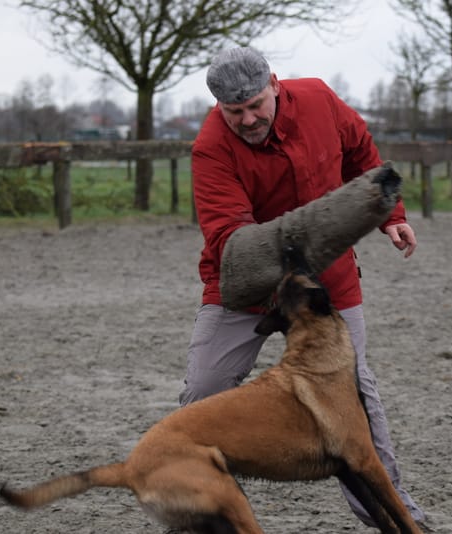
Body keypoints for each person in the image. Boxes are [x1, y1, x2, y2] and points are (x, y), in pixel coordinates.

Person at [180, 46, 428, 529]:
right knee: (204, 392)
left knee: (354, 396)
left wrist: (390, 216)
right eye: (235, 112)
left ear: (274, 84)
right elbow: (233, 238)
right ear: (218, 108)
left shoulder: (318, 99)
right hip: (246, 288)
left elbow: (362, 155)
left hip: (328, 283)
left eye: (256, 105)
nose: (249, 119)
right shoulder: (211, 149)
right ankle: (200, 509)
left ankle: (396, 517)